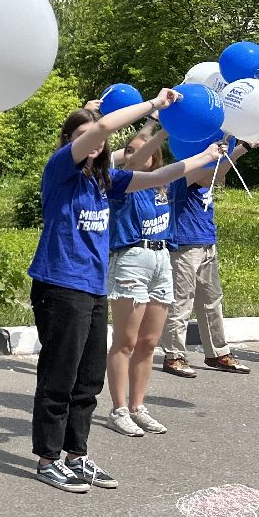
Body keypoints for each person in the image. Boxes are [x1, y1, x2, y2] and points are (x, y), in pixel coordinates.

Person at [29, 97, 224, 492]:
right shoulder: (61, 171)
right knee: (59, 376)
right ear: (69, 141)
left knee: (87, 378)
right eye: (83, 137)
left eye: (95, 139)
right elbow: (101, 130)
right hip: (60, 285)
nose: (94, 144)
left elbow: (159, 177)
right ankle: (48, 458)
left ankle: (76, 455)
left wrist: (204, 154)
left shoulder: (105, 181)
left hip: (92, 287)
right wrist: (154, 105)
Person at [104, 125, 178, 434]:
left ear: (156, 158)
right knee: (126, 341)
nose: (133, 155)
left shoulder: (163, 187)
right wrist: (162, 129)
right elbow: (132, 163)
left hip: (162, 260)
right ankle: (119, 409)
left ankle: (137, 406)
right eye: (129, 150)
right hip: (132, 261)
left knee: (149, 343)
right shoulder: (122, 183)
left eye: (140, 149)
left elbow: (203, 166)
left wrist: (233, 145)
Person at [161, 137, 254, 375]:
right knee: (182, 301)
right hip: (185, 245)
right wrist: (230, 150)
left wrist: (244, 145)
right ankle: (174, 356)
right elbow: (207, 173)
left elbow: (218, 172)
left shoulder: (206, 175)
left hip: (206, 243)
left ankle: (218, 353)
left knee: (211, 301)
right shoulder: (185, 173)